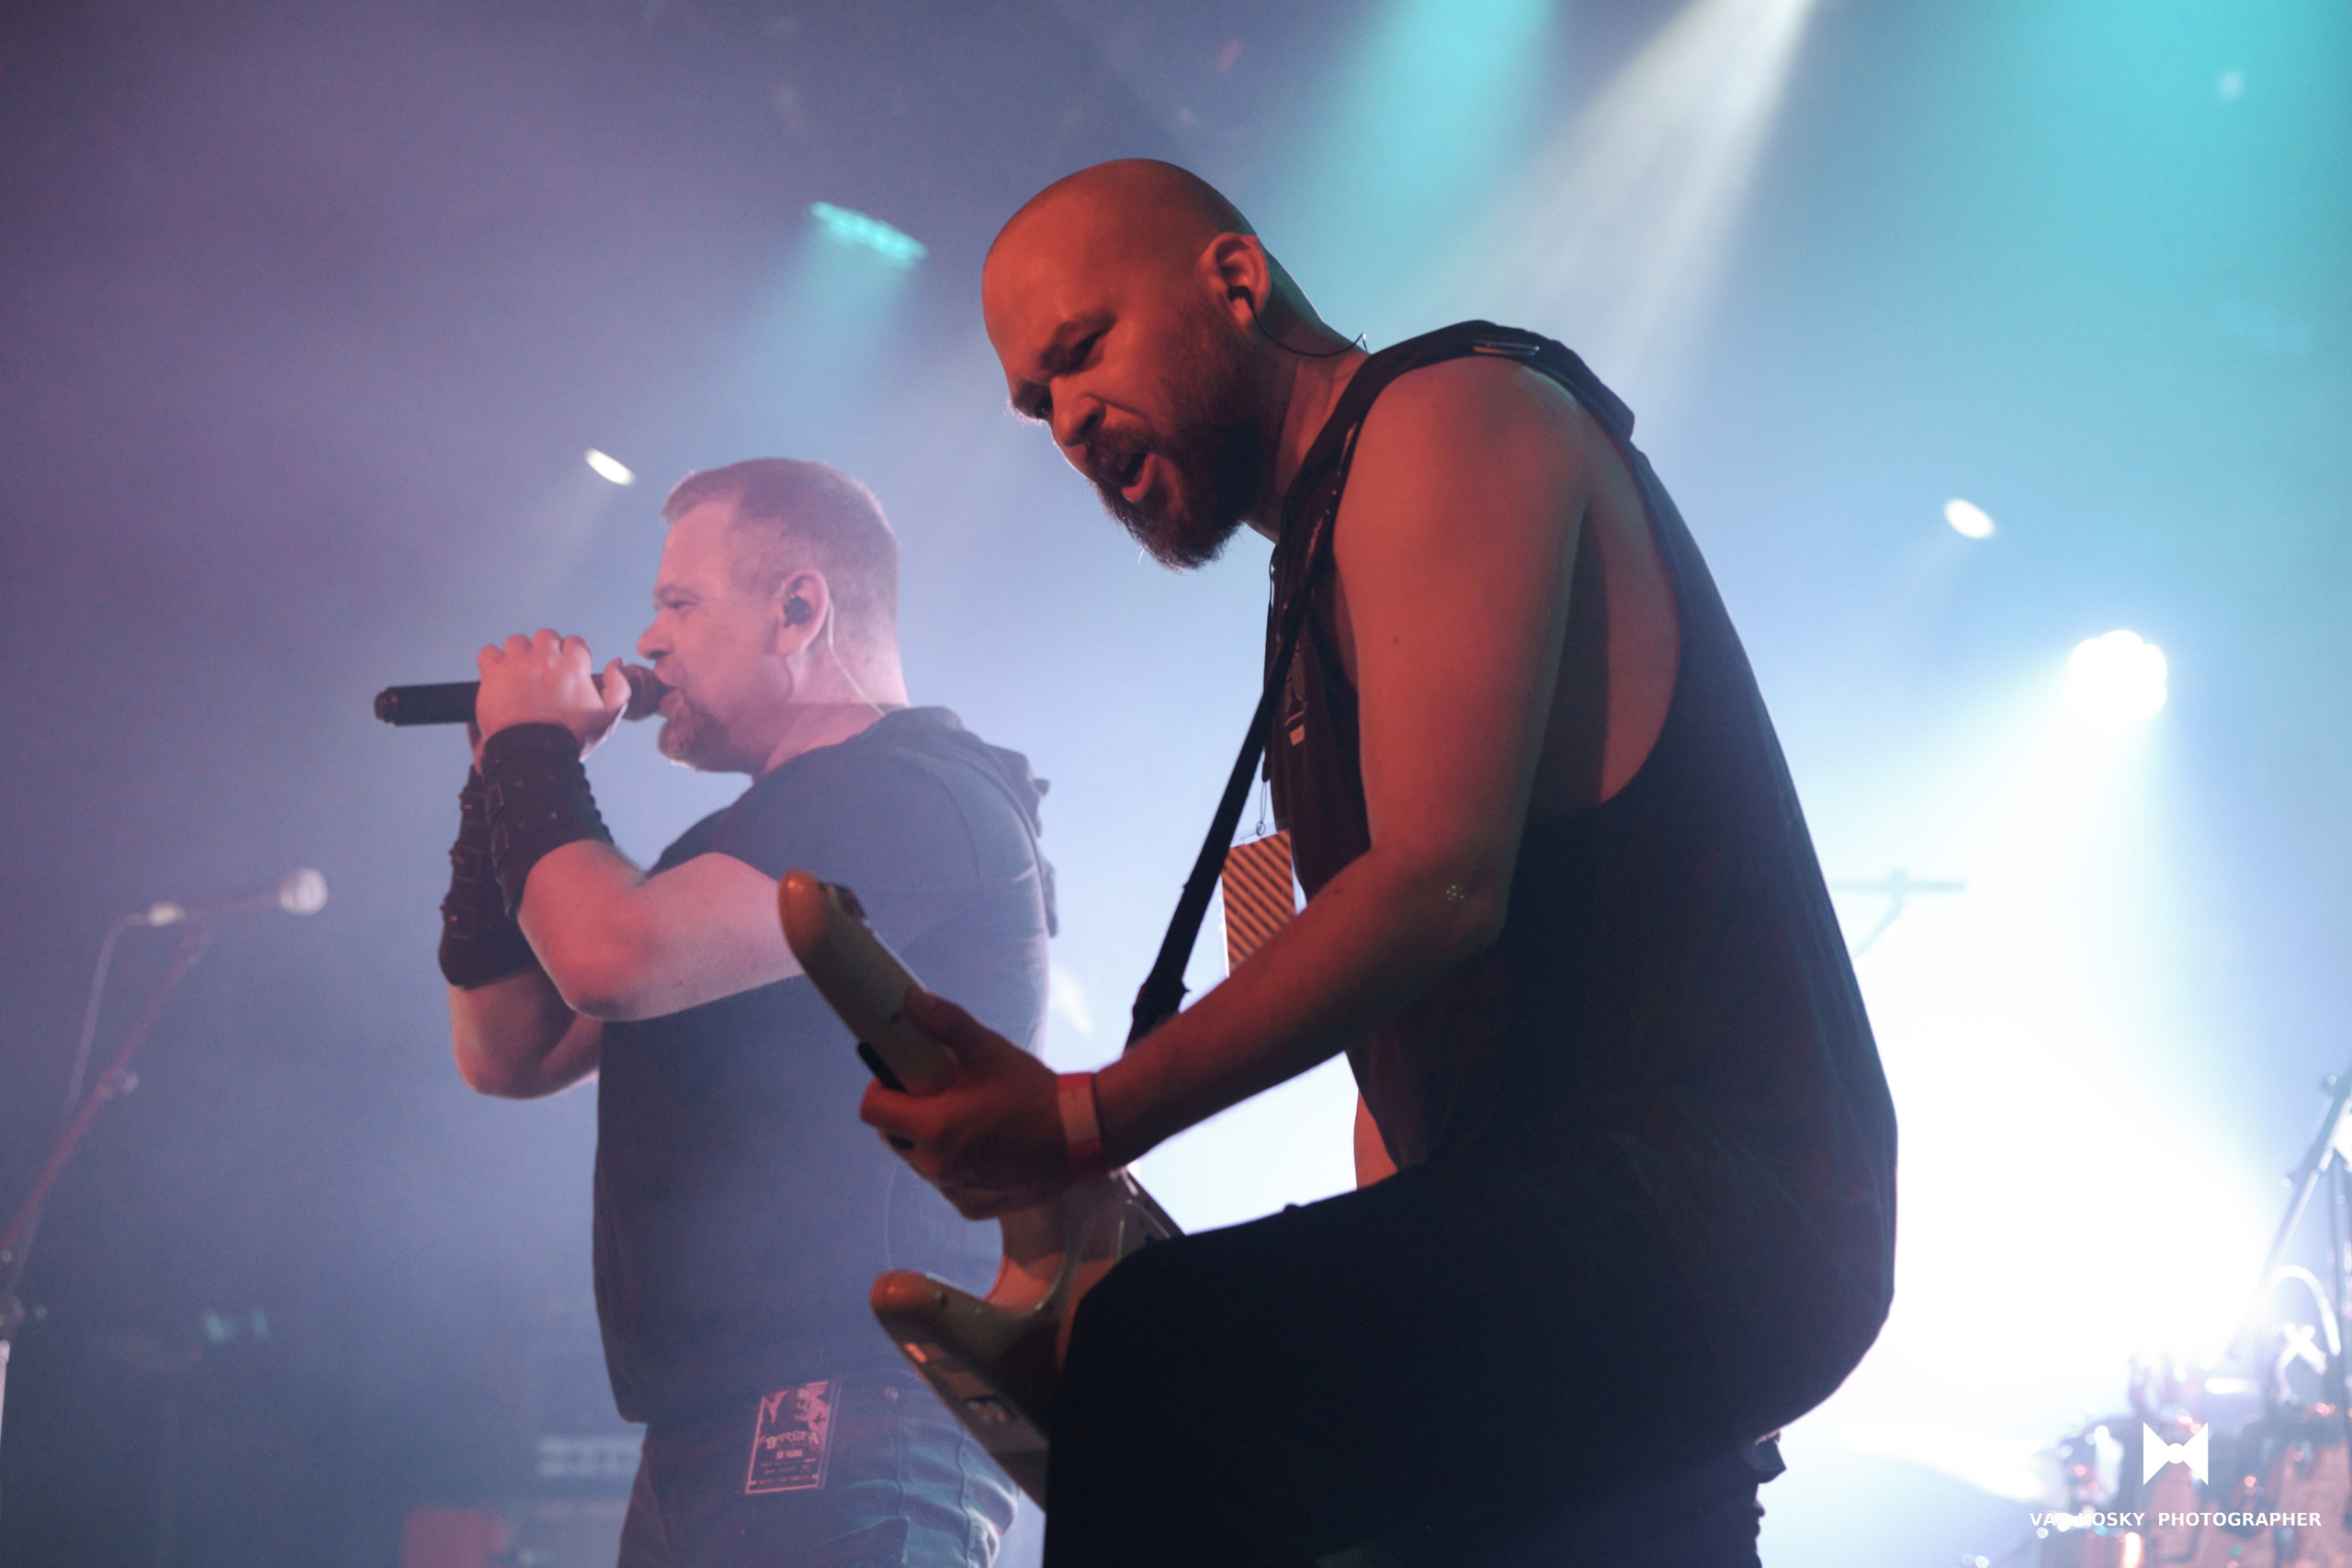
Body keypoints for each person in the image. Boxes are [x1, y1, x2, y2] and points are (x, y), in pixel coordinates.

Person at [858, 161, 1899, 1566]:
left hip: (1706, 1207)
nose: (1067, 421)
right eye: (1036, 401)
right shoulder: (1317, 591)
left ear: (1236, 282)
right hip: (1605, 1234)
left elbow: (1438, 888)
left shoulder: (1445, 416)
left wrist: (1087, 1115)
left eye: (1082, 351)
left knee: (1153, 1356)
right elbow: (1420, 1065)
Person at [435, 458, 1051, 1567]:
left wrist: (532, 755)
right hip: (707, 1427)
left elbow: (607, 955)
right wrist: (498, 787)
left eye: (680, 604)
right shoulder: (729, 852)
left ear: (799, 608)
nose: (650, 642)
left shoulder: (913, 793)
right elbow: (507, 1049)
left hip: (850, 1405)